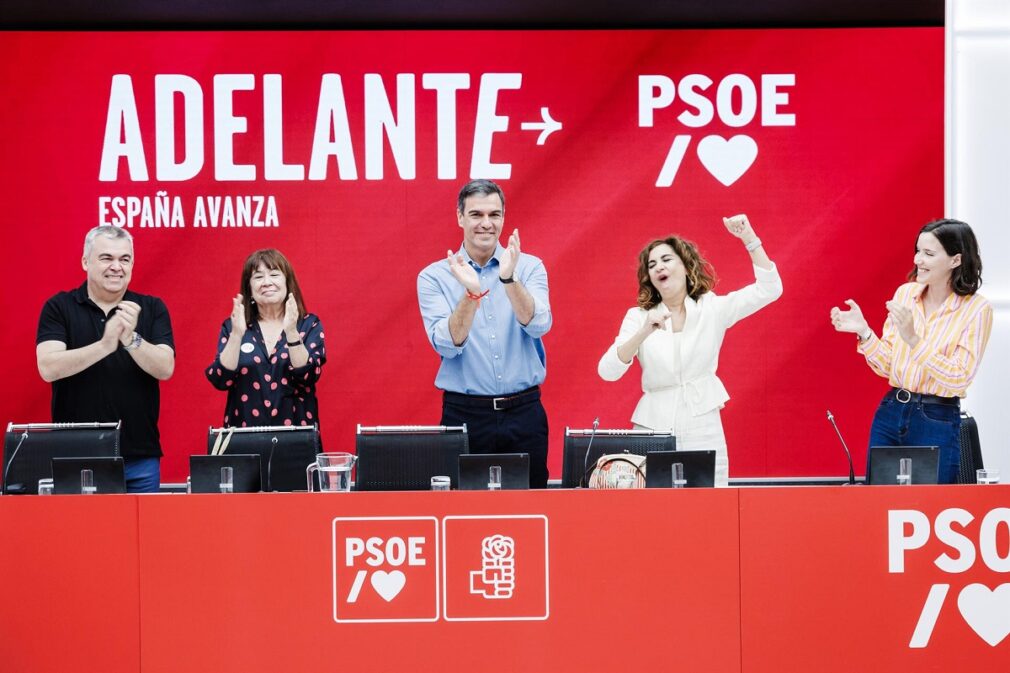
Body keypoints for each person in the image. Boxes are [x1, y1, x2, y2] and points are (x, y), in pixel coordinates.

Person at [597, 215, 782, 486]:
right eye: (652, 264)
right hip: (653, 425)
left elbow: (770, 289)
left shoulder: (712, 308)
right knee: (653, 508)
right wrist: (643, 332)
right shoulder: (638, 316)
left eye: (666, 259)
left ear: (685, 267)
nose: (659, 266)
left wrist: (749, 239)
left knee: (710, 503)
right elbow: (607, 371)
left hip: (703, 423)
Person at [830, 218, 992, 484]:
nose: (918, 260)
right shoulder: (906, 294)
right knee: (879, 505)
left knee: (929, 509)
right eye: (918, 251)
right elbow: (888, 366)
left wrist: (914, 340)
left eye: (929, 254)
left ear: (955, 260)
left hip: (937, 417)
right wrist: (865, 333)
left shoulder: (976, 309)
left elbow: (959, 377)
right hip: (892, 409)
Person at [417, 179, 552, 488]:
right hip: (465, 415)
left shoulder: (528, 267)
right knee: (461, 514)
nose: (486, 224)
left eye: (495, 215)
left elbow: (538, 324)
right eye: (476, 214)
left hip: (524, 413)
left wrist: (508, 279)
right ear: (460, 217)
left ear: (504, 218)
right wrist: (471, 294)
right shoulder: (434, 276)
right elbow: (448, 345)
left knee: (530, 510)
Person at [36, 225, 175, 493]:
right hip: (76, 456)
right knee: (82, 535)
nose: (117, 267)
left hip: (140, 457)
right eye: (106, 258)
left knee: (142, 535)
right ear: (85, 261)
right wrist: (105, 345)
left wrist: (130, 339)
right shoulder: (59, 307)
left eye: (125, 259)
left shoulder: (151, 307)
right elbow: (48, 367)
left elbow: (165, 367)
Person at [206, 249, 326, 429]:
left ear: (287, 282)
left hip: (297, 437)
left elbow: (307, 376)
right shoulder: (234, 326)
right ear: (249, 288)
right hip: (245, 436)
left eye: (274, 274)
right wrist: (237, 335)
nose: (266, 282)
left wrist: (291, 331)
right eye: (258, 277)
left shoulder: (309, 324)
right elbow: (221, 379)